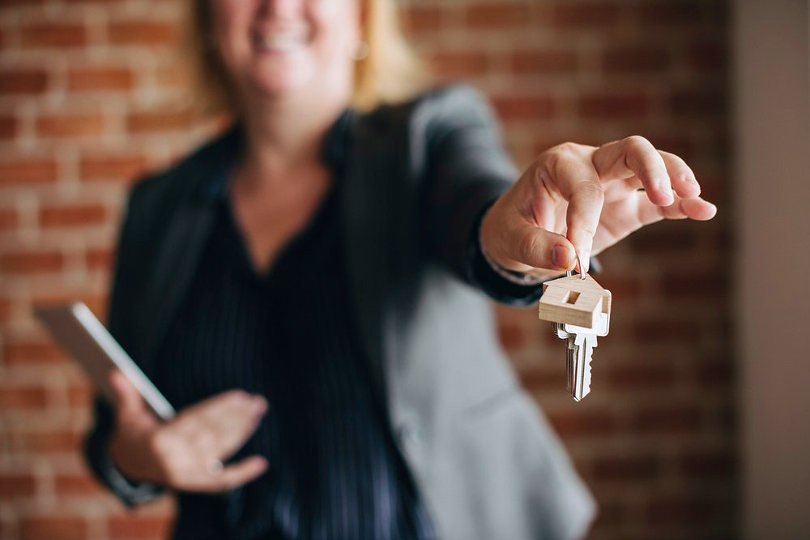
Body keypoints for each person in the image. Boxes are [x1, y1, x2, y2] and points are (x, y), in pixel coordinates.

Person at [83, 0, 717, 538]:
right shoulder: (157, 208)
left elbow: (482, 226)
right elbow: (118, 424)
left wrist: (521, 236)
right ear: (207, 19)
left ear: (363, 15)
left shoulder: (430, 137)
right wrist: (133, 455)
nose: (276, 6)